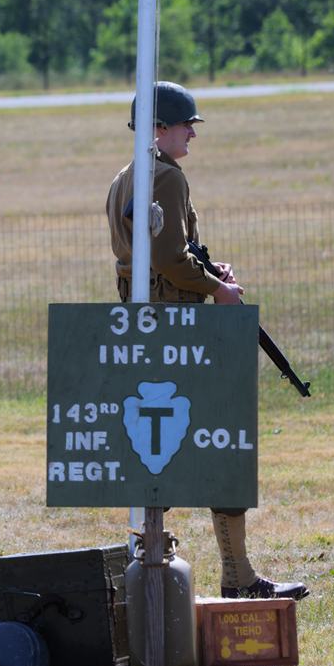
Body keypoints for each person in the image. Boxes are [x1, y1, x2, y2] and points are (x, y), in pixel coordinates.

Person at [105, 81, 308, 601]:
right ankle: (235, 578)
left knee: (154, 456)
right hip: (176, 330)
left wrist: (207, 269)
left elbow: (162, 251)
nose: (191, 133)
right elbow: (168, 258)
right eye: (184, 125)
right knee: (219, 443)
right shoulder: (167, 177)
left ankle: (149, 571)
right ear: (159, 129)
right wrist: (218, 289)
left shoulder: (126, 176)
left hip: (144, 329)